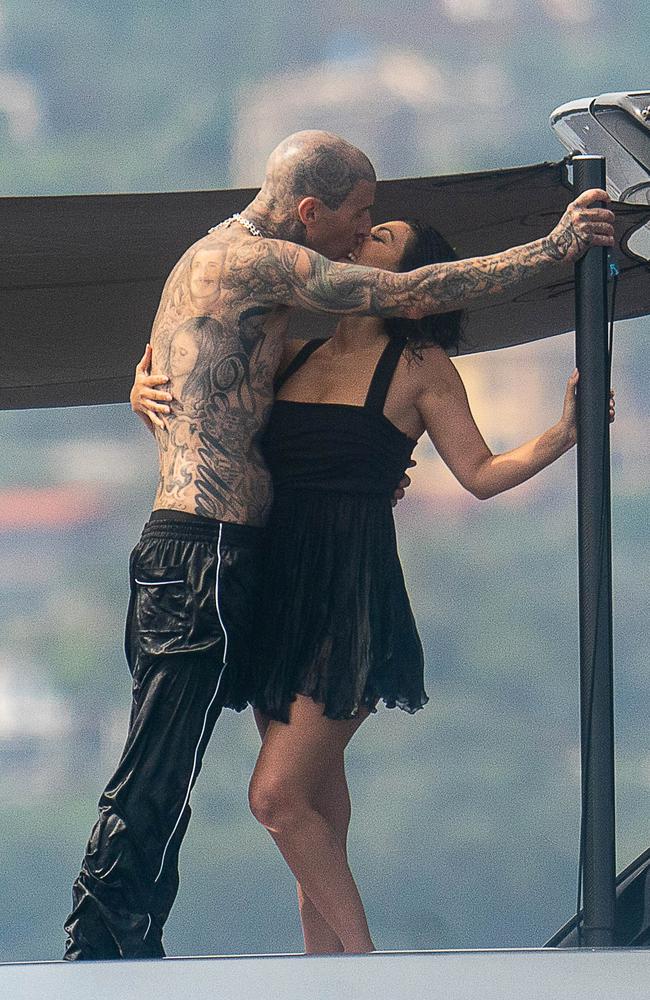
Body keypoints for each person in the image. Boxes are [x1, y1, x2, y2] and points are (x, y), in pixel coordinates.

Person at [65, 128, 615, 961]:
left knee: (280, 798)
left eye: (378, 235)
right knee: (262, 796)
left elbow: (473, 469)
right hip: (245, 566)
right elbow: (204, 371)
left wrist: (557, 436)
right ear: (312, 211)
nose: (364, 238)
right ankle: (282, 967)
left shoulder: (406, 359)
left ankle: (355, 968)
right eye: (362, 224)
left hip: (323, 582)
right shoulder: (284, 310)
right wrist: (141, 387)